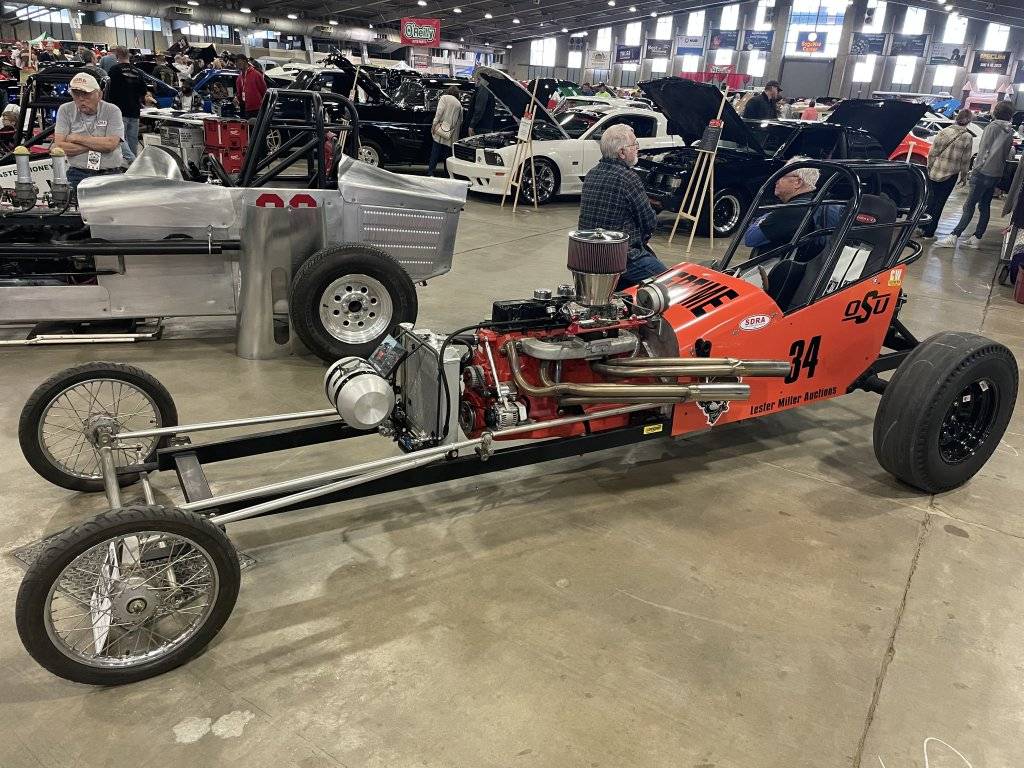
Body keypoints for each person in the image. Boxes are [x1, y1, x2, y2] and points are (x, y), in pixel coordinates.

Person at [578, 123, 666, 289]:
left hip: (588, 254)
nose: (637, 148)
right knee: (669, 282)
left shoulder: (591, 174)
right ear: (621, 152)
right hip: (620, 257)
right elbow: (649, 222)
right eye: (634, 145)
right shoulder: (628, 178)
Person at [935, 100, 1015, 248]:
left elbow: (984, 150)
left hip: (983, 172)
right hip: (996, 173)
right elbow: (1008, 153)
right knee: (985, 205)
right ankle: (977, 236)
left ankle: (954, 236)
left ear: (996, 111)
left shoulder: (992, 127)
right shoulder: (1010, 130)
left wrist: (976, 168)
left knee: (969, 205)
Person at [743, 159, 842, 259]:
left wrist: (761, 218)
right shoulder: (817, 202)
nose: (776, 180)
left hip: (780, 266)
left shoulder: (792, 210)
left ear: (798, 182)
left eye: (782, 175)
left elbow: (750, 238)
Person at [52, 72, 124, 193]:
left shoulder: (112, 110)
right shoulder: (65, 110)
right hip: (77, 174)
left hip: (109, 174)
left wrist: (77, 138)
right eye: (76, 94)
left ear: (99, 95)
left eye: (86, 94)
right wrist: (97, 144)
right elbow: (59, 146)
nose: (81, 98)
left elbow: (110, 144)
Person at [919, 109, 975, 239]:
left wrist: (930, 167)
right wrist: (964, 176)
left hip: (935, 171)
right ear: (969, 121)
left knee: (930, 200)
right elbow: (965, 159)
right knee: (940, 202)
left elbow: (932, 153)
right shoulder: (967, 137)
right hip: (950, 174)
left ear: (957, 118)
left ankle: (922, 226)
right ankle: (929, 232)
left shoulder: (944, 131)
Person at [104, 46, 146, 163]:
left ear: (117, 56)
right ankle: (134, 166)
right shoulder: (138, 72)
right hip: (135, 111)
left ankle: (132, 160)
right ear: (128, 56)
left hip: (119, 110)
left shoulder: (114, 70)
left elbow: (109, 91)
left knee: (119, 138)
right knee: (132, 140)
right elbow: (143, 91)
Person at [427, 85, 463, 177]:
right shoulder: (459, 104)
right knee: (447, 155)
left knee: (435, 151)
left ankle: (431, 172)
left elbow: (439, 112)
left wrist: (434, 124)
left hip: (441, 129)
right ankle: (447, 174)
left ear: (449, 91)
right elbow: (460, 121)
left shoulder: (444, 98)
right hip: (451, 134)